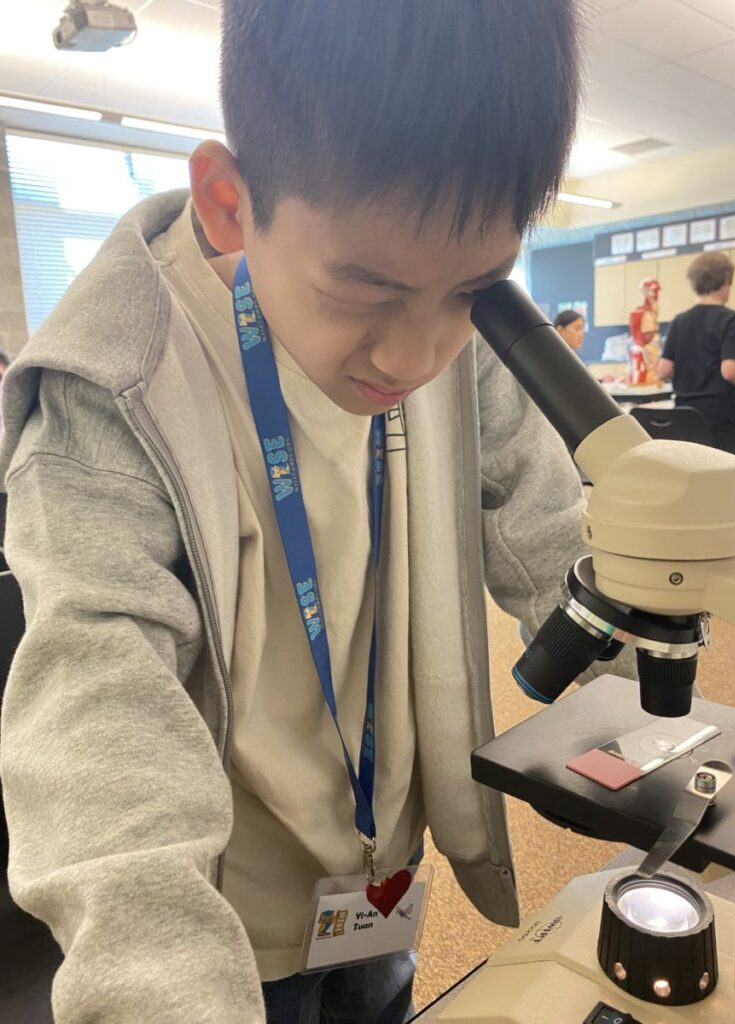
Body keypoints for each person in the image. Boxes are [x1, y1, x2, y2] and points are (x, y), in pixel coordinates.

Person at [0, 3, 630, 1022]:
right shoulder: (108, 391)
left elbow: (556, 541)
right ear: (226, 201)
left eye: (471, 290)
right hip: (222, 920)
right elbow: (96, 720)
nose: (416, 356)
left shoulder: (456, 332)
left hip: (383, 876)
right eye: (363, 291)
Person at [657, 252, 735, 457]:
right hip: (720, 418)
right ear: (727, 281)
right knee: (723, 480)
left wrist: (693, 372)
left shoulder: (679, 321)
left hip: (684, 416)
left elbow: (663, 370)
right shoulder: (734, 320)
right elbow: (730, 370)